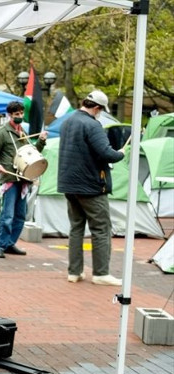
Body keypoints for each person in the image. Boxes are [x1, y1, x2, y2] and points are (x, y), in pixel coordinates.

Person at [57, 90, 125, 286]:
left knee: (76, 228)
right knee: (101, 229)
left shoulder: (68, 122)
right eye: (101, 110)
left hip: (69, 185)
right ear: (97, 108)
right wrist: (120, 153)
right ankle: (101, 273)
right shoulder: (92, 125)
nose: (100, 114)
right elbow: (106, 153)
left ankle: (74, 272)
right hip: (91, 186)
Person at [0, 101, 46, 259]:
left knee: (20, 215)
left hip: (24, 178)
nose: (19, 116)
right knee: (8, 215)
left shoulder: (23, 132)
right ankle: (0, 245)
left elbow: (32, 153)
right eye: (16, 114)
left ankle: (10, 243)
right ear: (9, 115)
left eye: (21, 113)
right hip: (10, 178)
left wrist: (41, 141)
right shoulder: (2, 133)